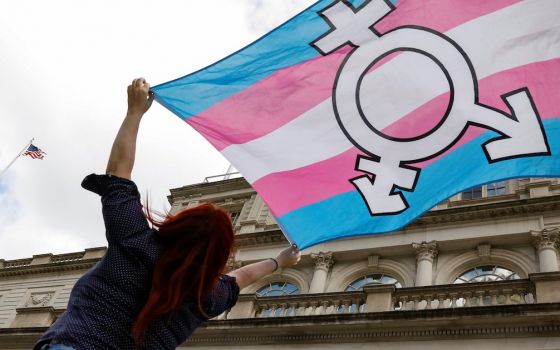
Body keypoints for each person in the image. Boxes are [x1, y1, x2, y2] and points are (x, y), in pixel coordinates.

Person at [35, 78, 301, 350]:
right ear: (222, 253)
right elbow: (242, 277)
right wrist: (279, 261)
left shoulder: (136, 241)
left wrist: (134, 113)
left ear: (178, 224)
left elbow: (118, 172)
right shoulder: (207, 296)